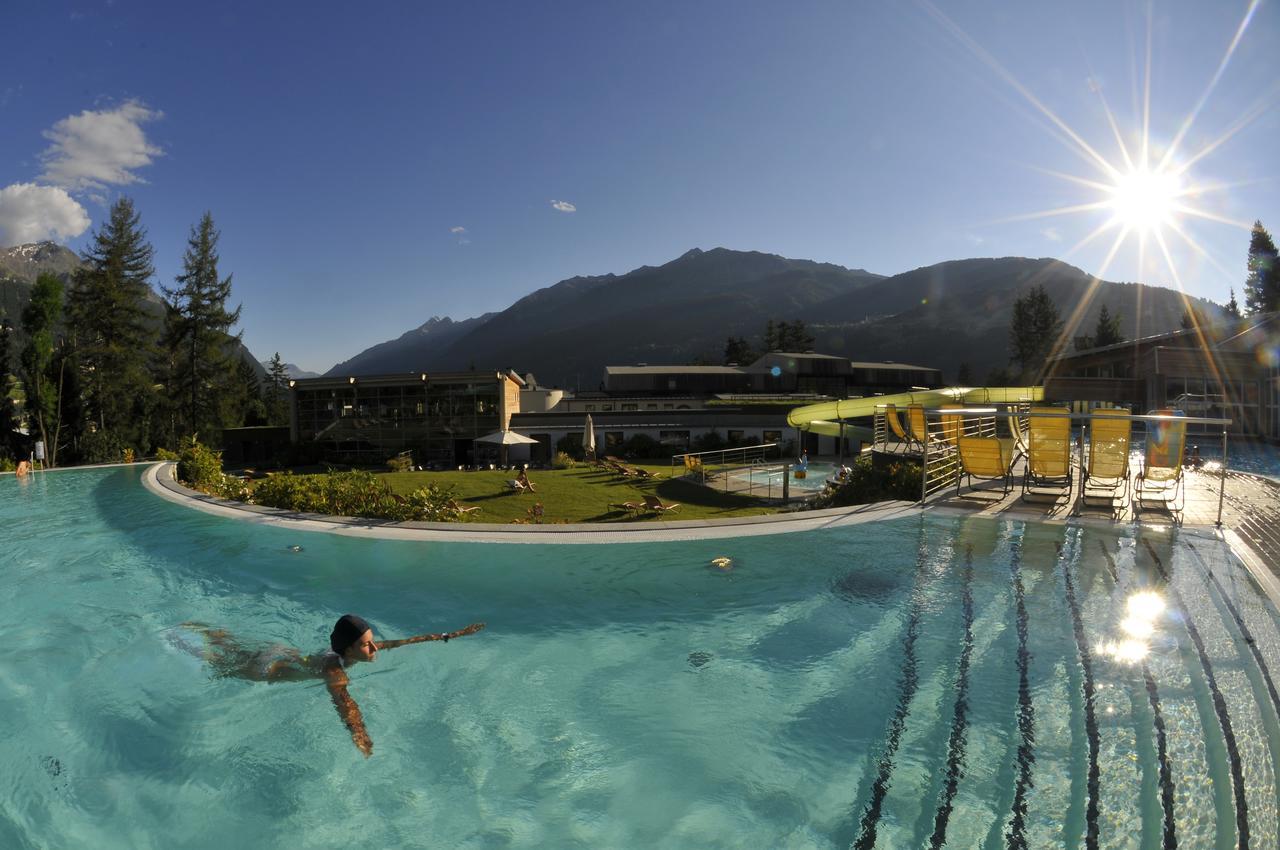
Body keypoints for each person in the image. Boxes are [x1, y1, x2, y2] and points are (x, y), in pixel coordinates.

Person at [181, 614, 484, 757]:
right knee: (220, 665)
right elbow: (344, 702)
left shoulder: (351, 651)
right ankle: (187, 643)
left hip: (282, 652)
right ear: (349, 650)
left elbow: (404, 642)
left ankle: (212, 632)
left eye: (372, 642)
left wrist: (451, 634)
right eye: (367, 646)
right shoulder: (334, 670)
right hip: (268, 669)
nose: (376, 649)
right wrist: (360, 735)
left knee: (233, 648)